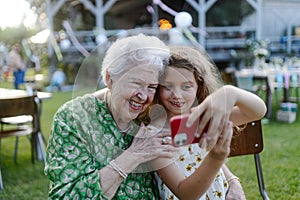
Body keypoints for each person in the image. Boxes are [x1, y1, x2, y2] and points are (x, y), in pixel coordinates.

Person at [44, 34, 180, 199]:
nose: (144, 96)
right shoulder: (74, 118)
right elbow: (66, 196)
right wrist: (134, 154)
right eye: (136, 83)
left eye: (151, 86)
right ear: (109, 78)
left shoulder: (152, 113)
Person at [142, 45, 267, 199]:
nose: (177, 95)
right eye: (168, 86)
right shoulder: (154, 135)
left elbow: (258, 111)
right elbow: (185, 193)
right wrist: (216, 157)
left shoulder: (207, 118)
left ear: (198, 86)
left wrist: (231, 92)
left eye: (186, 86)